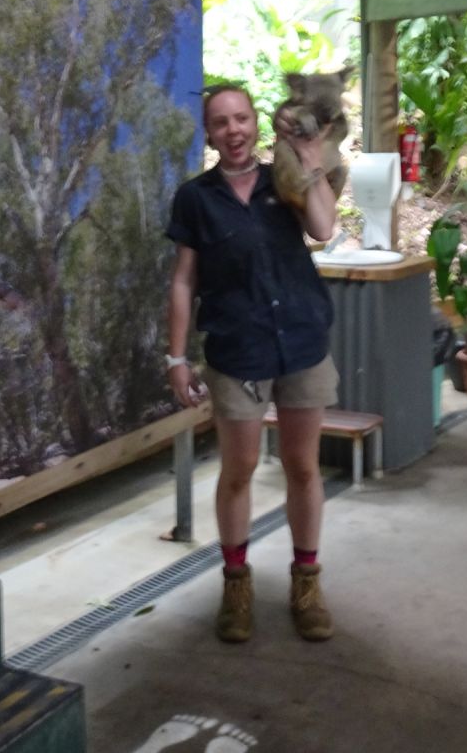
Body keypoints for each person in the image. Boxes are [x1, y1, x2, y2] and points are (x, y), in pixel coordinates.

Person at [164, 83, 339, 643]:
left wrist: (311, 161)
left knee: (303, 467)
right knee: (237, 471)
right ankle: (236, 584)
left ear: (256, 124)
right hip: (237, 348)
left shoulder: (282, 180)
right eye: (221, 122)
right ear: (209, 134)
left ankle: (306, 583)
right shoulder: (196, 198)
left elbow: (324, 228)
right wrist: (176, 357)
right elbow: (184, 281)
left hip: (301, 342)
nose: (233, 130)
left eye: (241, 119)